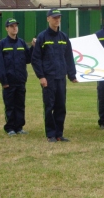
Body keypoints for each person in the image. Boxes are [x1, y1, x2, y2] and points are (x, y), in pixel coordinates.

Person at [31, 8, 77, 143]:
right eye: (54, 17)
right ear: (48, 19)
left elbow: (69, 57)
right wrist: (41, 76)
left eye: (58, 17)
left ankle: (59, 134)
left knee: (61, 106)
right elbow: (36, 59)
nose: (57, 20)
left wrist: (72, 75)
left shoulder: (64, 37)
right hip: (49, 78)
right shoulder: (42, 37)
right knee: (49, 106)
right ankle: (50, 134)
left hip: (61, 77)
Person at [0, 18, 33, 136]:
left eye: (16, 26)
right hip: (9, 81)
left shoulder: (21, 43)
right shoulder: (2, 44)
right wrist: (3, 81)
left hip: (20, 80)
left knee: (20, 104)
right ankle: (10, 127)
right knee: (10, 105)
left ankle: (19, 127)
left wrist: (33, 47)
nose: (14, 28)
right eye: (11, 26)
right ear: (7, 28)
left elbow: (28, 59)